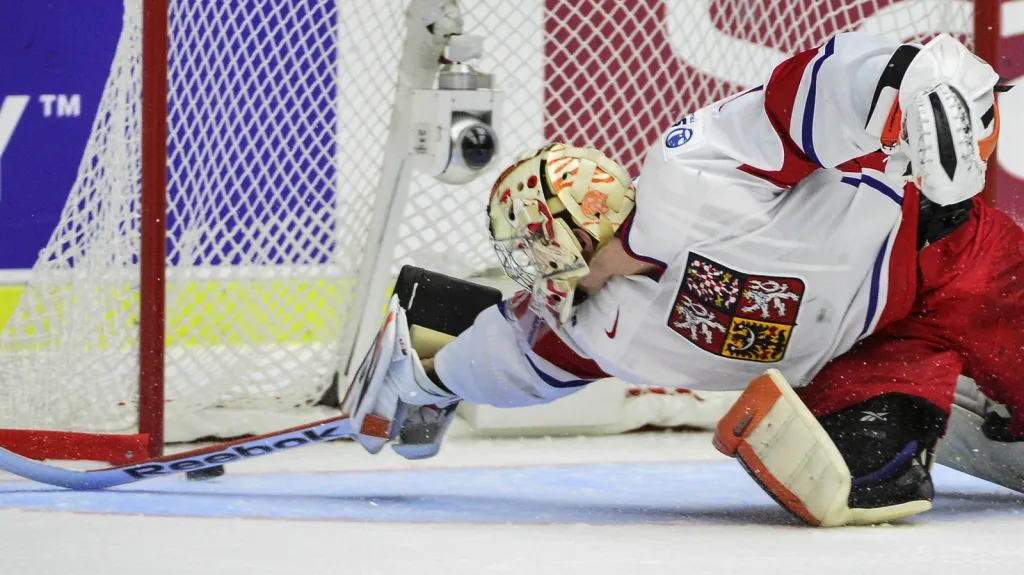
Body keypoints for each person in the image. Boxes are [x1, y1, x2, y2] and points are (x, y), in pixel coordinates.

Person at [341, 31, 1021, 526]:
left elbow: (795, 100)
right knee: (862, 478)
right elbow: (499, 352)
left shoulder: (692, 178)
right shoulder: (589, 331)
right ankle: (954, 407)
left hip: (954, 260)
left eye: (527, 247)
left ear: (553, 244)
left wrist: (906, 74)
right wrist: (429, 379)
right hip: (874, 352)